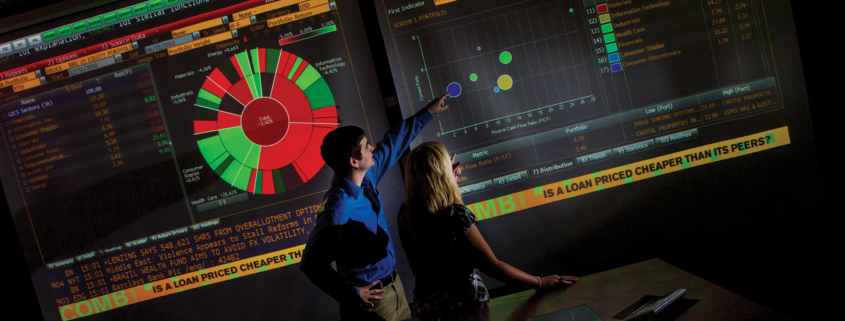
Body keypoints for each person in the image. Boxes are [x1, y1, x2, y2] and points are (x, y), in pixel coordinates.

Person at [300, 92, 452, 321]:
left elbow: (393, 143)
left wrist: (428, 112)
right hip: (372, 306)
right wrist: (350, 293)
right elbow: (311, 264)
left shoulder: (367, 175)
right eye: (366, 146)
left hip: (395, 289)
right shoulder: (337, 209)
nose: (372, 148)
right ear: (354, 161)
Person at [398, 142, 579, 320]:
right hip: (466, 310)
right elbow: (493, 267)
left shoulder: (405, 215)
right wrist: (540, 282)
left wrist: (448, 176)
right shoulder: (457, 217)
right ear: (442, 173)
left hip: (426, 311)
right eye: (447, 165)